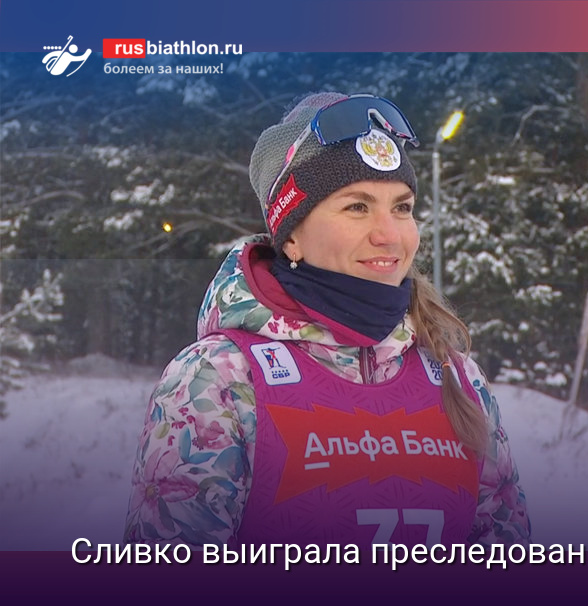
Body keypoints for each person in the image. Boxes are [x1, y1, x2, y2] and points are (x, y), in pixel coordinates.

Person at [124, 92, 530, 548]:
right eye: (357, 207)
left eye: (402, 207)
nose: (389, 234)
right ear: (291, 236)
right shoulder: (219, 378)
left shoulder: (455, 376)